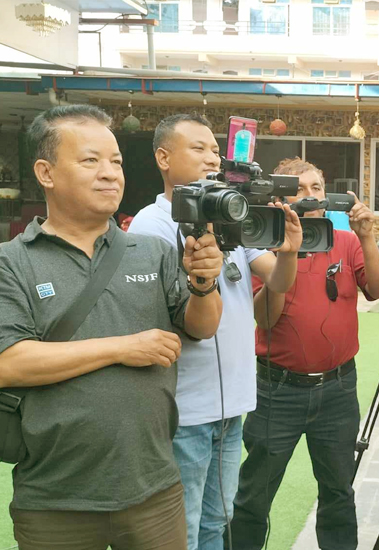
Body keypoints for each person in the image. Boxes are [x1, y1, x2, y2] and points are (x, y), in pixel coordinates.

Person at [0, 105, 225, 549]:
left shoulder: (152, 251)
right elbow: (9, 363)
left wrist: (204, 283)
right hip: (54, 500)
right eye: (91, 160)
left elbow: (203, 326)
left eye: (116, 162)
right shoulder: (12, 261)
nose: (110, 173)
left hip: (155, 490)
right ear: (46, 172)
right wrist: (122, 348)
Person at [128, 113, 302, 550]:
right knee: (183, 527)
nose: (212, 158)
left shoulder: (229, 213)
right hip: (186, 407)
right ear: (163, 158)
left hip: (231, 403)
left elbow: (278, 280)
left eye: (214, 150)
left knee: (216, 521)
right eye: (198, 148)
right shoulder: (153, 223)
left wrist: (288, 253)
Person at [229, 158, 379, 550]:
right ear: (279, 199)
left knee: (338, 491)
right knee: (254, 494)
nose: (309, 196)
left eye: (316, 188)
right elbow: (265, 319)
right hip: (278, 391)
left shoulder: (346, 241)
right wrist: (289, 254)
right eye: (298, 190)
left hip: (338, 388)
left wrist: (367, 237)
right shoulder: (263, 243)